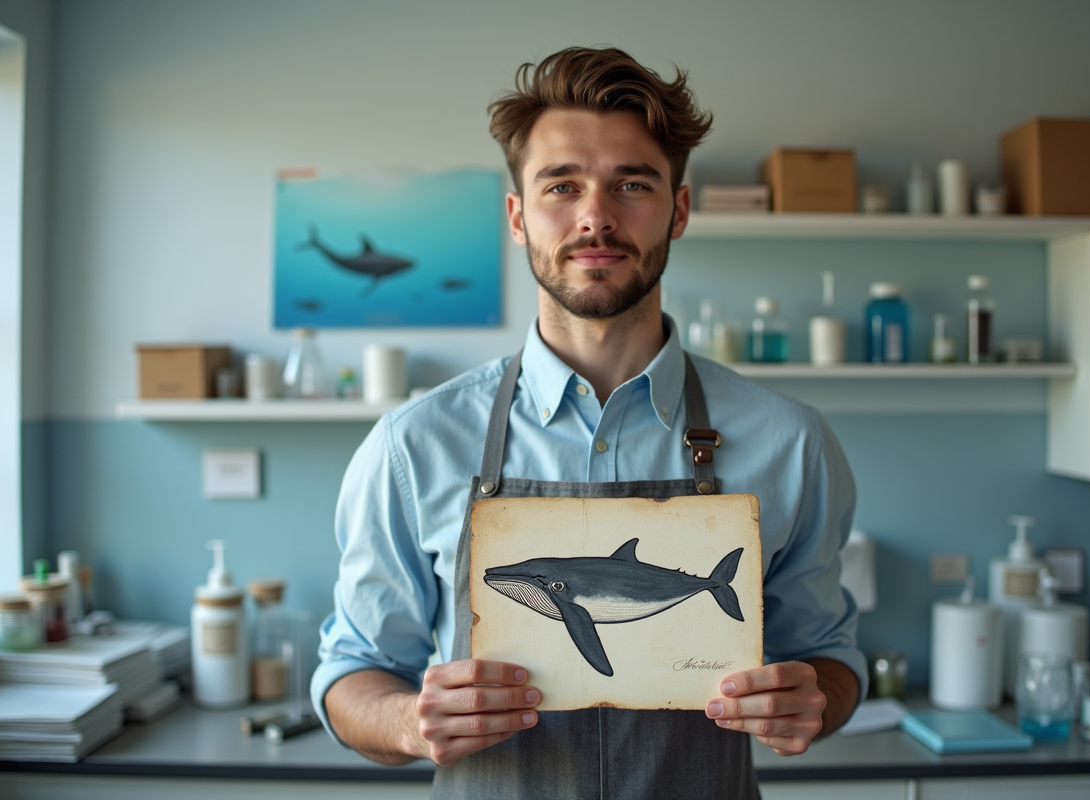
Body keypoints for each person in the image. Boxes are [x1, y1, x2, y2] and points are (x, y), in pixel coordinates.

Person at [312, 46, 865, 799]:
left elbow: (831, 658)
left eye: (631, 184)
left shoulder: (791, 443)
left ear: (679, 209)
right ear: (517, 216)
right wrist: (410, 721)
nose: (595, 216)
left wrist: (817, 700)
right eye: (561, 186)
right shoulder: (412, 446)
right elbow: (350, 674)